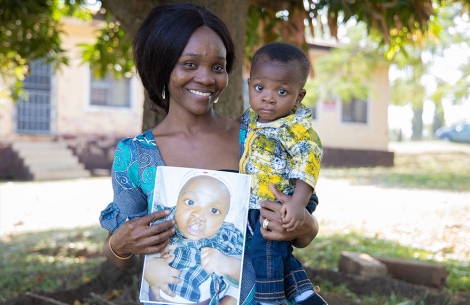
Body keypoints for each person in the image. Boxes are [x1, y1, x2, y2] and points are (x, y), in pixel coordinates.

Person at [98, 3, 320, 305]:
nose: (206, 78)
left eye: (217, 67)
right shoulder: (135, 156)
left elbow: (300, 233)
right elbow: (120, 258)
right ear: (162, 65)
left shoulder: (256, 139)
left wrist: (306, 226)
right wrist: (121, 243)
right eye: (189, 64)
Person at [239, 42, 325, 305]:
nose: (268, 97)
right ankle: (305, 295)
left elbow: (308, 162)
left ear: (298, 97)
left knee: (264, 251)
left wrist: (298, 205)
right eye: (260, 87)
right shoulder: (251, 120)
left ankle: (271, 300)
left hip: (286, 200)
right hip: (263, 200)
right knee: (279, 255)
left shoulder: (295, 130)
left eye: (282, 91)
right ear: (249, 84)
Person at [141, 170, 244, 304]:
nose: (199, 215)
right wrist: (149, 266)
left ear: (223, 219)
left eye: (214, 210)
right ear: (177, 203)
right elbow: (140, 244)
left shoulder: (227, 236)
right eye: (190, 202)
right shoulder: (163, 221)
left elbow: (243, 273)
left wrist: (228, 264)